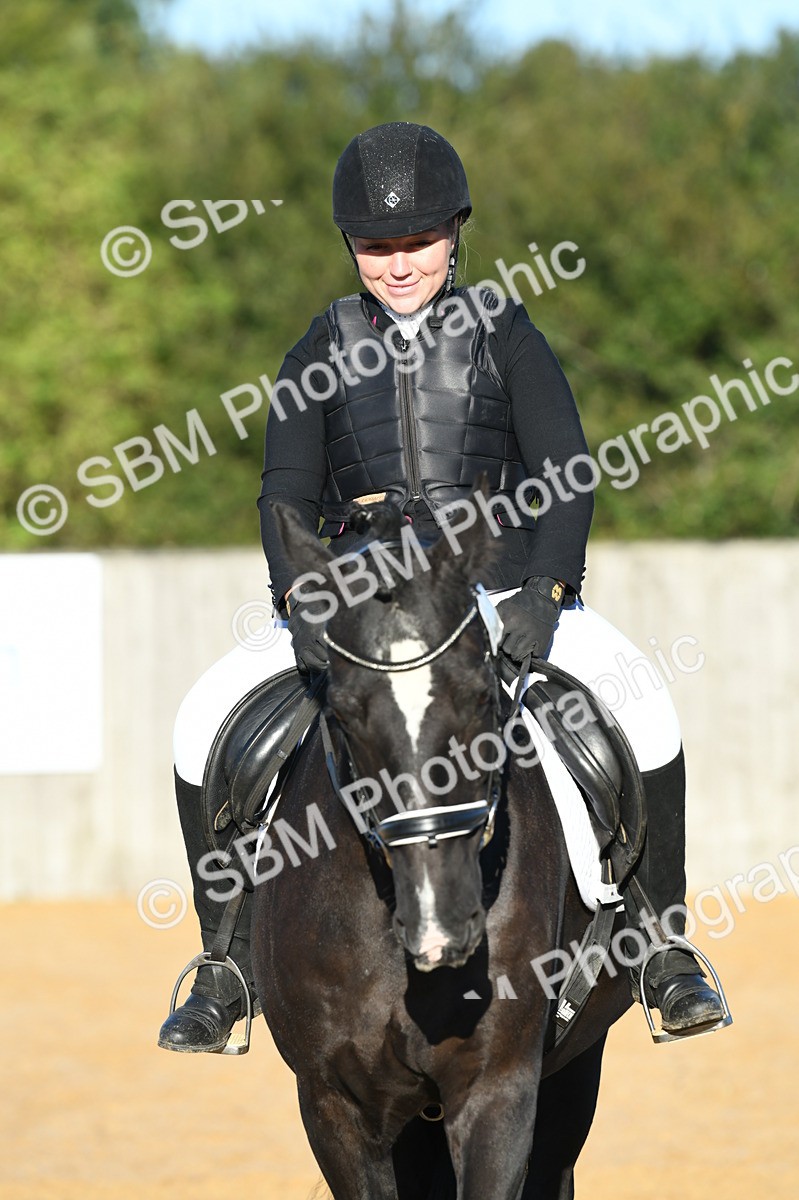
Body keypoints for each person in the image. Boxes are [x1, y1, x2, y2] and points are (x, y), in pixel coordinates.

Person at [158, 121, 726, 1054]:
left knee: (646, 707)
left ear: (456, 230)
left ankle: (664, 946)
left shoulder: (504, 330)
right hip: (357, 604)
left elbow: (567, 469)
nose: (397, 263)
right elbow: (285, 494)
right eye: (376, 246)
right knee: (199, 719)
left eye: (416, 241)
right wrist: (301, 600)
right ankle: (222, 961)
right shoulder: (319, 345)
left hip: (493, 587)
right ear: (350, 246)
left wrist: (548, 592)